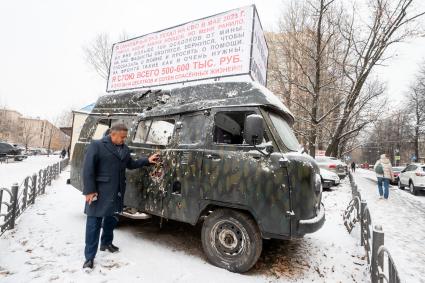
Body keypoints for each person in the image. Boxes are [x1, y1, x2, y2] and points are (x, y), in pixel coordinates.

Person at [82, 123, 159, 269]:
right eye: (122, 137)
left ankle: (106, 242)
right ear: (113, 134)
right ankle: (89, 257)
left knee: (111, 219)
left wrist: (146, 161)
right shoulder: (97, 145)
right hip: (99, 191)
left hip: (117, 191)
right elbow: (88, 169)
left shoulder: (125, 148)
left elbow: (131, 164)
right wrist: (90, 190)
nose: (124, 139)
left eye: (125, 137)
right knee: (94, 224)